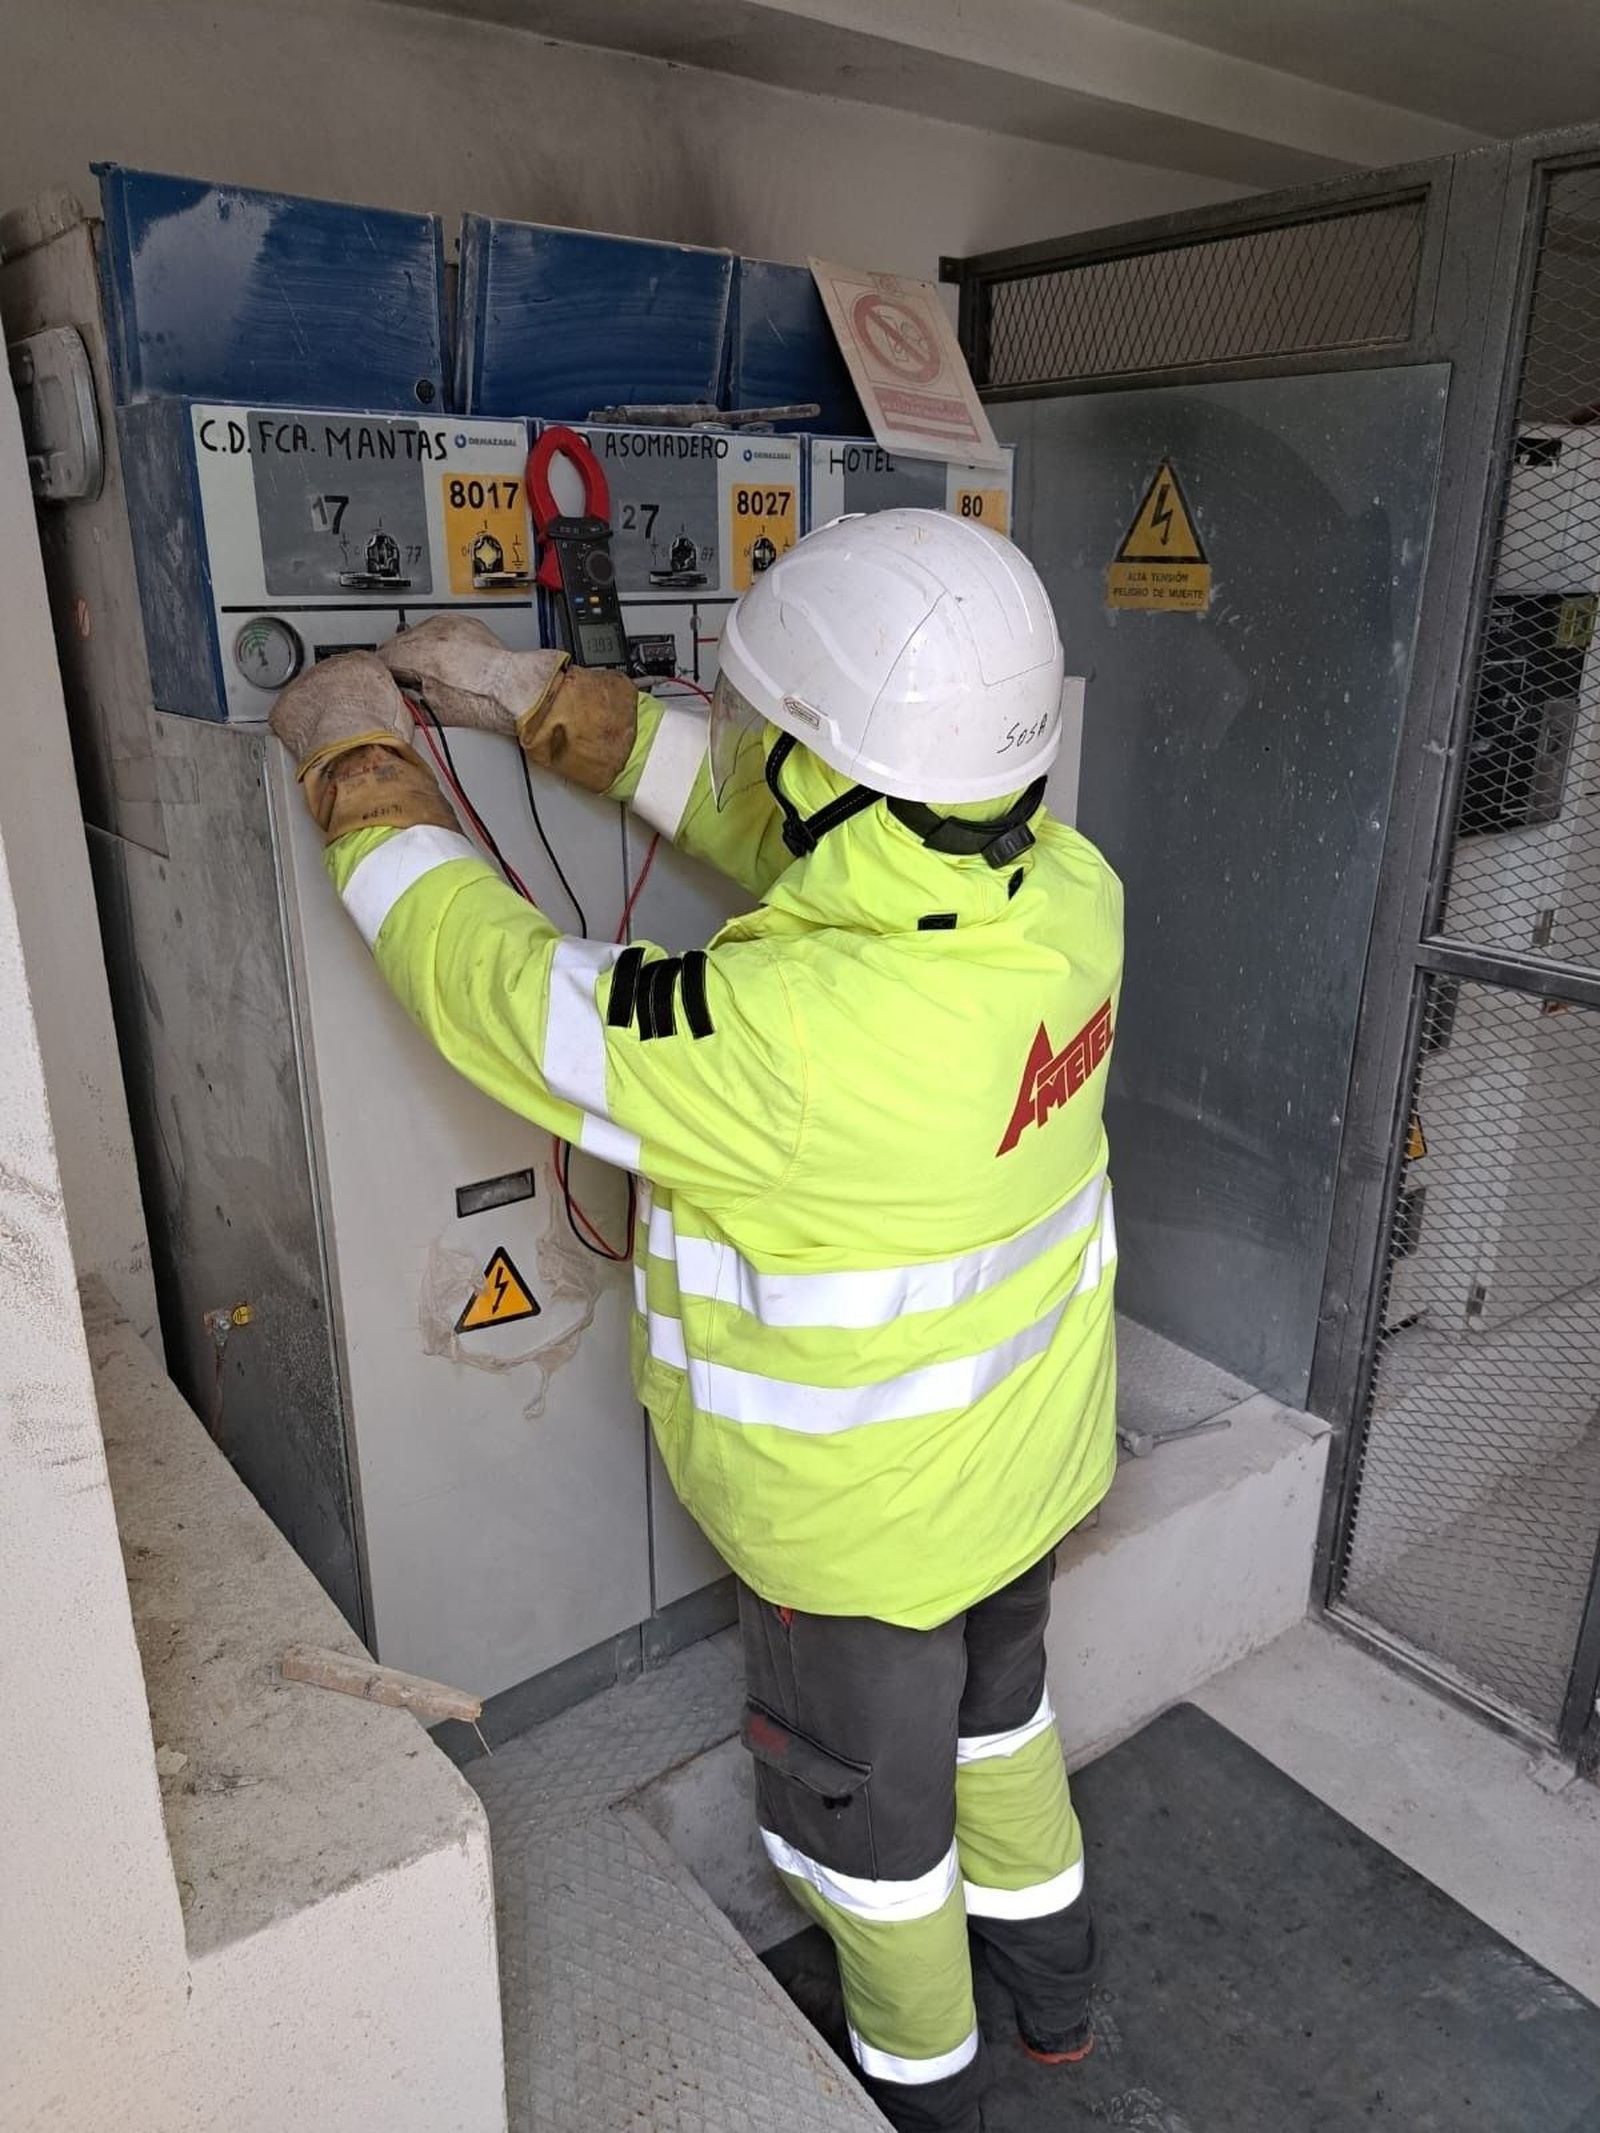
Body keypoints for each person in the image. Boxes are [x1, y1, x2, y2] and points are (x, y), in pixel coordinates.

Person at [269, 508, 1123, 2133]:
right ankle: (1061, 1995)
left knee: (873, 1849)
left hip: (858, 1542)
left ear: (836, 765)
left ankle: (923, 2098)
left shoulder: (780, 1032)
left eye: (774, 728)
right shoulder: (1069, 893)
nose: (748, 749)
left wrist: (354, 766)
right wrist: (544, 700)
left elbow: (499, 985)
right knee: (1003, 1724)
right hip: (1021, 1477)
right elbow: (825, 840)